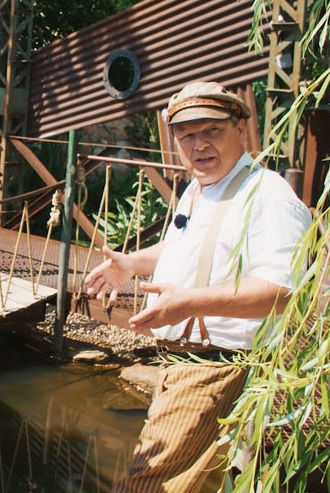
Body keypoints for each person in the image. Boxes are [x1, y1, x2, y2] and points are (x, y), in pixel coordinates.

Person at [84, 81, 311, 493]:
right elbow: (187, 245)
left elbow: (284, 290)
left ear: (239, 130)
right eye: (186, 134)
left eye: (212, 131)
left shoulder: (267, 196)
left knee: (148, 484)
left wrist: (188, 304)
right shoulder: (199, 187)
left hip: (219, 367)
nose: (198, 144)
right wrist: (133, 263)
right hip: (183, 364)